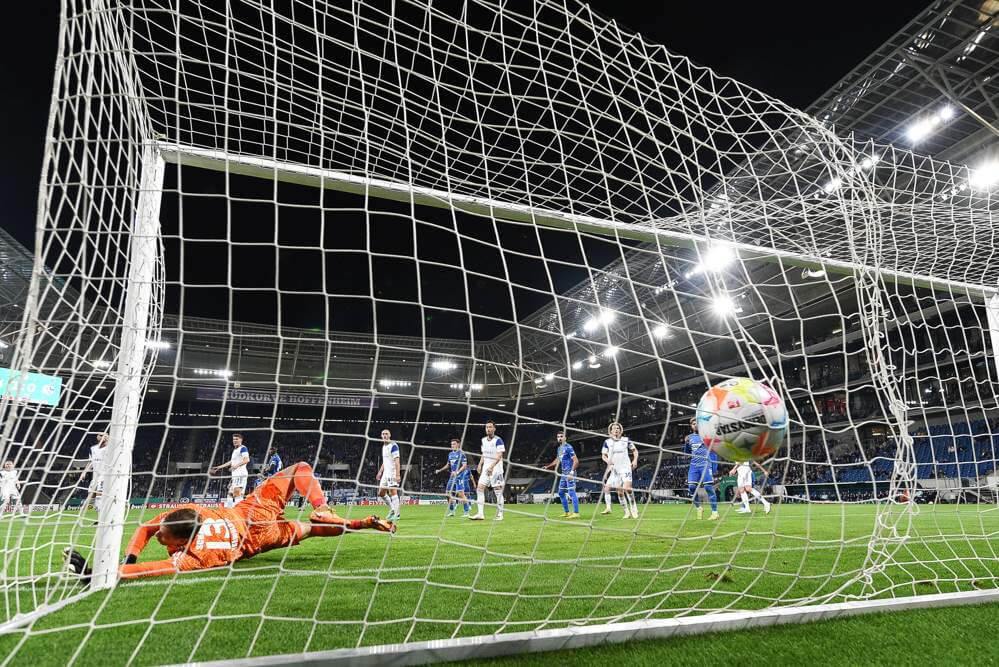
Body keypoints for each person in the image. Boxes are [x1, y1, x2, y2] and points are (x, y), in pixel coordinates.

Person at [63, 462, 394, 581]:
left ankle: (346, 518)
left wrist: (102, 573)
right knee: (301, 468)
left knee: (307, 532)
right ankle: (339, 512)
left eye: (163, 539)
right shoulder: (192, 512)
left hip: (256, 537)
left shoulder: (195, 557)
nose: (158, 538)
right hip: (250, 513)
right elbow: (149, 529)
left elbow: (150, 570)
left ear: (181, 542)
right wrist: (131, 554)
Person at [470, 420, 505, 521]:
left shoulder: (498, 440)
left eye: (490, 427)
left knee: (497, 491)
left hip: (496, 468)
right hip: (486, 468)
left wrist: (492, 467)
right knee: (480, 488)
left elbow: (499, 455)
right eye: (487, 427)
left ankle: (500, 514)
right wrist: (480, 465)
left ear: (494, 428)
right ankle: (480, 514)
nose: (488, 429)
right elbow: (483, 454)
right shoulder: (483, 440)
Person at [604, 422, 639, 519]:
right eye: (614, 428)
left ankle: (633, 507)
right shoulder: (607, 442)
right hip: (615, 470)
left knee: (628, 488)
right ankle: (626, 512)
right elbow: (603, 455)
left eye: (617, 428)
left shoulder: (626, 440)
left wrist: (635, 460)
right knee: (619, 492)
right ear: (610, 431)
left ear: (620, 430)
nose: (616, 430)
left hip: (625, 467)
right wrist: (608, 461)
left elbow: (635, 451)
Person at [686, 418, 718, 520]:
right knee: (691, 487)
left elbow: (714, 451)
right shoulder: (689, 438)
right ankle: (699, 507)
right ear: (691, 426)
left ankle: (715, 512)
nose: (695, 425)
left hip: (705, 464)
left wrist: (714, 467)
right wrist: (686, 443)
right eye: (693, 424)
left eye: (697, 424)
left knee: (708, 487)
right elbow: (687, 453)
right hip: (694, 465)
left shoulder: (707, 436)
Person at [542, 432, 579, 518]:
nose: (559, 438)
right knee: (561, 493)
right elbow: (558, 459)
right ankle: (567, 512)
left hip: (570, 473)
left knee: (571, 492)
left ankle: (576, 513)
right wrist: (548, 466)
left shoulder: (568, 447)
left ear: (565, 438)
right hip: (563, 474)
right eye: (558, 437)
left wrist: (571, 472)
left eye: (561, 436)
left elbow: (576, 461)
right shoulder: (559, 449)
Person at [209, 433, 250, 508]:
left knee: (237, 494)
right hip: (235, 475)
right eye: (234, 439)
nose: (235, 441)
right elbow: (231, 462)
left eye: (237, 439)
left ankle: (238, 512)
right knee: (230, 494)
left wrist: (235, 466)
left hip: (241, 474)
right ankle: (229, 511)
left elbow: (247, 460)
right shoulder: (235, 450)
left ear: (241, 440)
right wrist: (219, 467)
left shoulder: (243, 448)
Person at [435, 438, 471, 517]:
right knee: (447, 493)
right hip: (452, 477)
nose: (452, 446)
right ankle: (452, 511)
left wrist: (457, 472)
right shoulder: (450, 454)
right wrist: (440, 470)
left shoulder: (462, 453)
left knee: (460, 494)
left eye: (454, 444)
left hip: (459, 476)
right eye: (451, 444)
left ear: (458, 444)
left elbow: (464, 466)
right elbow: (448, 465)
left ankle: (466, 512)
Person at [376, 429, 402, 522]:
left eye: (386, 433)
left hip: (392, 472)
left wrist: (398, 475)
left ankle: (397, 514)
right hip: (385, 473)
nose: (384, 435)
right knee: (381, 493)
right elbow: (385, 461)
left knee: (393, 493)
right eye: (383, 434)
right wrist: (380, 472)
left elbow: (397, 461)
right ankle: (392, 509)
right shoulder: (384, 446)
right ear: (381, 436)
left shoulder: (393, 445)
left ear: (390, 435)